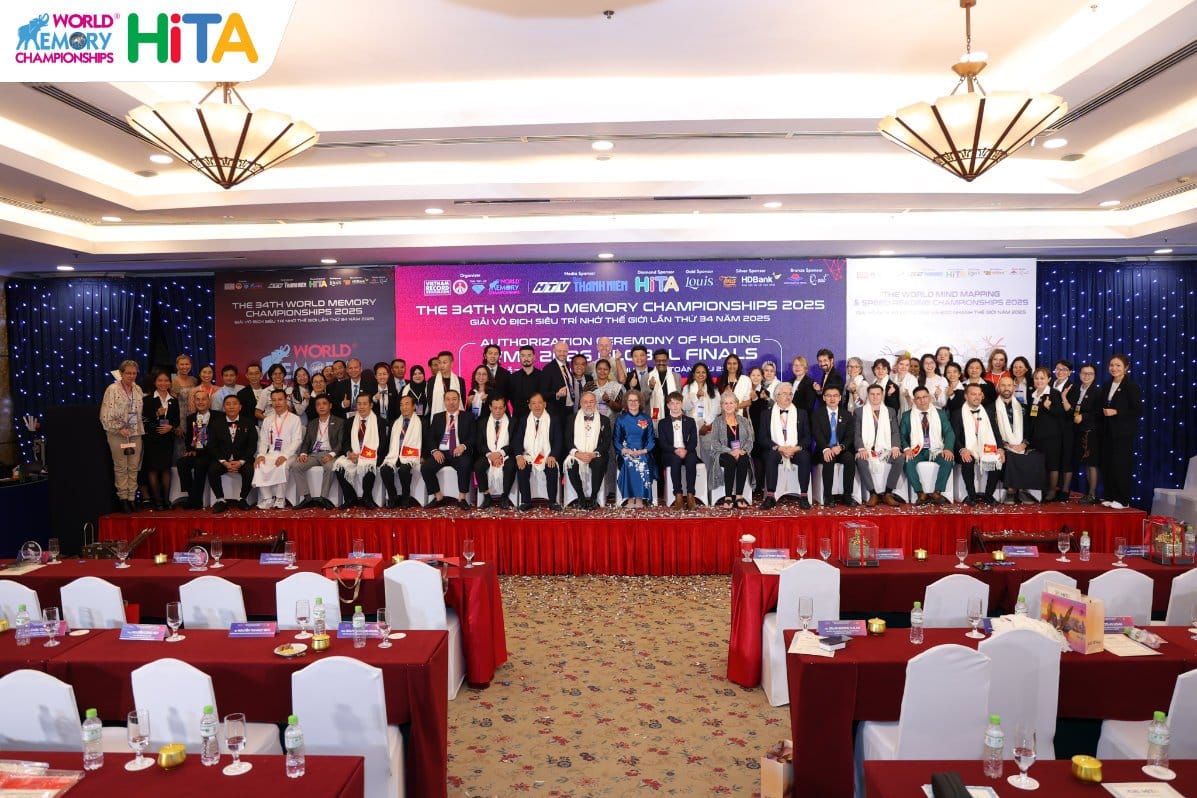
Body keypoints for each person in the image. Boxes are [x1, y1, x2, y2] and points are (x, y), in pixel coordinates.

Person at [100, 360, 145, 513]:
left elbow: (138, 412)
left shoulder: (137, 389)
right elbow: (104, 415)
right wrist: (119, 428)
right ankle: (123, 498)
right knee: (121, 466)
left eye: (134, 373)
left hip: (135, 432)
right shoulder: (112, 389)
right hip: (117, 433)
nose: (131, 376)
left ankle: (132, 497)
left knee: (133, 466)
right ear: (121, 373)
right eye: (128, 373)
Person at [759, 382, 811, 510]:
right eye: (784, 394)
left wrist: (796, 448)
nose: (788, 397)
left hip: (795, 449)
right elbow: (762, 438)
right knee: (771, 456)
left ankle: (804, 496)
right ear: (776, 396)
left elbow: (807, 438)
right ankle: (770, 496)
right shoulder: (766, 414)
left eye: (790, 394)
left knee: (805, 456)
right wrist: (779, 448)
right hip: (776, 449)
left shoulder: (802, 413)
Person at [899, 386, 955, 505]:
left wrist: (948, 448)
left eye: (924, 397)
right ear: (914, 400)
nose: (922, 400)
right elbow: (902, 435)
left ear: (929, 398)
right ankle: (920, 494)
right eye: (918, 398)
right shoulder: (907, 415)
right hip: (916, 449)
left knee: (947, 460)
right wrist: (907, 449)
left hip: (936, 449)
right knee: (908, 462)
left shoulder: (940, 414)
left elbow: (949, 432)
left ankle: (937, 493)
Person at [421, 389, 476, 509]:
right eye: (448, 399)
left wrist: (463, 446)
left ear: (459, 401)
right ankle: (438, 496)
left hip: (459, 451)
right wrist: (434, 451)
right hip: (441, 452)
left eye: (454, 399)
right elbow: (430, 437)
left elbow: (473, 437)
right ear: (444, 401)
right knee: (426, 467)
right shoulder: (437, 417)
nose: (451, 402)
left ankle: (462, 498)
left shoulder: (468, 416)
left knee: (465, 464)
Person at [1100, 353, 1142, 508]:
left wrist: (1117, 412)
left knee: (1121, 466)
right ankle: (1110, 496)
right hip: (1107, 431)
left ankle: (1123, 500)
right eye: (1112, 365)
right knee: (1108, 464)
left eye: (1118, 365)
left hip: (1123, 433)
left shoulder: (1131, 387)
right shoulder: (1106, 385)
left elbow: (1137, 410)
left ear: (1126, 368)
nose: (1114, 368)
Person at [952, 383, 1004, 505]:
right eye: (973, 394)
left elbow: (996, 432)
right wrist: (962, 450)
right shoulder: (957, 413)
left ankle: (988, 495)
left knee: (998, 459)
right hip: (966, 448)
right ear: (966, 396)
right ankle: (972, 496)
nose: (977, 397)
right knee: (967, 461)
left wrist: (1000, 448)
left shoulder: (988, 412)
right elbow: (955, 436)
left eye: (979, 394)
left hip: (986, 447)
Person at [251, 389, 304, 509]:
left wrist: (285, 456)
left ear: (286, 400)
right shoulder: (267, 419)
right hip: (271, 453)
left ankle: (280, 498)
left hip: (289, 454)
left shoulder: (295, 419)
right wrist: (261, 455)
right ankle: (267, 498)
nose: (277, 403)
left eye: (280, 399)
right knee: (259, 464)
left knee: (282, 465)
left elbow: (297, 440)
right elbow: (263, 440)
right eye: (274, 400)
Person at [995, 376, 1044, 504]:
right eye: (1003, 385)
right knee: (1010, 456)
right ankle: (1011, 492)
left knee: (1036, 456)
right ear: (998, 388)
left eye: (1009, 385)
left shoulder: (1023, 407)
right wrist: (1004, 444)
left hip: (1021, 444)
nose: (1006, 388)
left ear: (1014, 387)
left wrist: (1024, 444)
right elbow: (991, 430)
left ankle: (1024, 491)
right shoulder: (992, 408)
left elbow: (1029, 428)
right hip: (1001, 445)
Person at [854, 384, 905, 506]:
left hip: (885, 449)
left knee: (899, 458)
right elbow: (856, 433)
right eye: (872, 394)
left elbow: (895, 432)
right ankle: (873, 494)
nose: (875, 397)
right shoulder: (859, 412)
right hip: (867, 448)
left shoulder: (890, 411)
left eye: (878, 394)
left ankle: (888, 493)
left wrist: (895, 447)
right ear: (868, 395)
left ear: (882, 395)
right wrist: (861, 448)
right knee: (860, 460)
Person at [294, 394, 347, 510]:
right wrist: (303, 454)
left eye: (324, 404)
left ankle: (323, 498)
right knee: (296, 466)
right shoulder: (312, 423)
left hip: (330, 453)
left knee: (329, 466)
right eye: (318, 404)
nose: (321, 406)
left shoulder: (339, 422)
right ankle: (307, 498)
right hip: (314, 454)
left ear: (330, 406)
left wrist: (331, 454)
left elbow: (340, 443)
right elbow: (306, 442)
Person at [513, 393, 563, 511]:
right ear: (529, 406)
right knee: (521, 467)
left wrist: (553, 455)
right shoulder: (524, 420)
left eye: (539, 403)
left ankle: (552, 501)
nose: (537, 406)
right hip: (529, 455)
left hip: (545, 455)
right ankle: (526, 501)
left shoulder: (553, 419)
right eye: (533, 403)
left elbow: (558, 440)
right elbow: (517, 440)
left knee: (551, 467)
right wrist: (519, 456)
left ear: (544, 404)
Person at [207, 395, 257, 513]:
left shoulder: (248, 423)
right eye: (228, 404)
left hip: (242, 459)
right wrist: (224, 462)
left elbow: (252, 446)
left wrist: (241, 462)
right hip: (223, 460)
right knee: (212, 470)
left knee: (249, 470)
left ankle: (242, 498)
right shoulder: (216, 424)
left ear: (240, 407)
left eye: (234, 404)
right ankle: (220, 500)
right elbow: (212, 446)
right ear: (224, 407)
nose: (231, 407)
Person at [564, 391, 613, 509]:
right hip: (577, 453)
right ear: (581, 404)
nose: (588, 405)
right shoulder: (571, 419)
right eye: (585, 402)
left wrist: (593, 454)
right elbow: (567, 440)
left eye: (591, 402)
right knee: (571, 463)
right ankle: (580, 496)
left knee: (598, 462)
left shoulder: (604, 420)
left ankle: (593, 497)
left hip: (596, 454)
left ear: (595, 403)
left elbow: (606, 442)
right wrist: (577, 453)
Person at [706, 390, 755, 509]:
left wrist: (743, 450)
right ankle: (728, 497)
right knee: (730, 459)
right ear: (722, 405)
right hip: (722, 453)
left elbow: (750, 439)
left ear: (736, 404)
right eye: (726, 403)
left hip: (741, 452)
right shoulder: (717, 421)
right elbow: (715, 443)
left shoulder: (744, 421)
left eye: (731, 403)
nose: (728, 406)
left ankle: (739, 496)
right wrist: (730, 451)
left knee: (743, 459)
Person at [811, 385, 857, 506]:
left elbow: (850, 436)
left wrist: (841, 447)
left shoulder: (847, 415)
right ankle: (828, 496)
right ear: (824, 398)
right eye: (829, 396)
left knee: (849, 458)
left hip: (840, 449)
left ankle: (847, 495)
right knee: (829, 459)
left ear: (840, 398)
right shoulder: (817, 414)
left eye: (835, 396)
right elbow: (817, 434)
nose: (832, 399)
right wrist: (826, 449)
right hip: (823, 449)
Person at [334, 393, 382, 508]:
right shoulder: (350, 421)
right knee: (339, 467)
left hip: (371, 454)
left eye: (365, 404)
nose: (361, 407)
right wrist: (349, 453)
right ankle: (350, 498)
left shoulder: (380, 422)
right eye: (359, 404)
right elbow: (345, 441)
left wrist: (364, 455)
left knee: (369, 466)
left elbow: (382, 444)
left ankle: (367, 498)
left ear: (371, 405)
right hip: (353, 454)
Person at [1027, 366, 1067, 502]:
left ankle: (1052, 491)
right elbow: (1032, 416)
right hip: (1036, 436)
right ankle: (1041, 490)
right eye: (1036, 378)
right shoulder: (1032, 394)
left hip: (1052, 437)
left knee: (1052, 464)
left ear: (1049, 379)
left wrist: (1048, 407)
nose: (1039, 381)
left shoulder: (1054, 393)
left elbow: (1061, 413)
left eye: (1042, 378)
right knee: (1040, 464)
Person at [141, 370, 180, 510]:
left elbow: (176, 420)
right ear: (155, 382)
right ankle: (157, 501)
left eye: (166, 380)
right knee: (152, 470)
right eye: (160, 380)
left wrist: (171, 427)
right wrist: (157, 415)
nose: (163, 383)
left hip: (167, 440)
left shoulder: (173, 400)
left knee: (166, 469)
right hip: (152, 439)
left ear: (170, 382)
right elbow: (144, 420)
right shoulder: (147, 399)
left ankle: (166, 500)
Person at [380, 394, 425, 509]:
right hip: (395, 454)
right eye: (401, 405)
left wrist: (424, 456)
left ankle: (406, 496)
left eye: (407, 404)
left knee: (404, 469)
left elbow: (426, 441)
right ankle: (393, 496)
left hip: (411, 455)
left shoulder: (421, 422)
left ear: (414, 406)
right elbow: (388, 442)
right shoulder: (395, 423)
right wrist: (385, 456)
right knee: (384, 469)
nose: (404, 407)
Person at [614, 390, 655, 508]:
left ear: (640, 402)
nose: (633, 403)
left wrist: (643, 451)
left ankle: (640, 498)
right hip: (626, 452)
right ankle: (630, 499)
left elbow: (651, 440)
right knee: (629, 462)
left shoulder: (646, 418)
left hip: (643, 452)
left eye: (635, 400)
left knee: (643, 460)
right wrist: (626, 451)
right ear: (626, 402)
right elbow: (616, 440)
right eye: (630, 400)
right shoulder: (621, 419)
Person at [473, 395, 516, 509]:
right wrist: (490, 454)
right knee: (478, 465)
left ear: (505, 408)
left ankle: (504, 496)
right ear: (490, 407)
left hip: (506, 454)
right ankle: (487, 496)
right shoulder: (482, 422)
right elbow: (479, 443)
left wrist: (500, 453)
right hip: (488, 454)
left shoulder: (512, 422)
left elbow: (514, 443)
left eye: (501, 408)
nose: (498, 411)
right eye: (495, 408)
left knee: (510, 466)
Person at [658, 392, 699, 509]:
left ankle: (690, 495)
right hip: (670, 452)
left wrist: (685, 450)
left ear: (682, 404)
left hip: (687, 450)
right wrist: (675, 450)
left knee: (691, 460)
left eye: (677, 403)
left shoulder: (690, 421)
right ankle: (678, 495)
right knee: (675, 460)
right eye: (672, 403)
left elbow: (694, 441)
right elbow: (663, 443)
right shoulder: (662, 423)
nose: (675, 406)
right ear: (668, 405)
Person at [177, 389, 214, 510]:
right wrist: (190, 449)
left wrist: (209, 437)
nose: (200, 402)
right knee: (182, 463)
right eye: (197, 399)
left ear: (209, 401)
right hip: (196, 452)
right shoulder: (190, 418)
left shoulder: (218, 416)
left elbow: (222, 438)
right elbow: (188, 439)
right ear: (194, 401)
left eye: (203, 399)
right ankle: (192, 495)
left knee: (199, 464)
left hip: (212, 453)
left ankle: (195, 501)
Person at [1071, 363, 1102, 504]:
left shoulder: (1097, 391)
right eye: (1084, 373)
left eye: (1090, 374)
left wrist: (1083, 416)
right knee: (1086, 463)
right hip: (1080, 431)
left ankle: (1092, 494)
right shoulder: (1077, 390)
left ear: (1094, 376)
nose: (1086, 376)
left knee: (1091, 463)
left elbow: (1099, 412)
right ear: (1079, 374)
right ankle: (1089, 493)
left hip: (1091, 431)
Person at [1051, 359, 1077, 499]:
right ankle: (1053, 488)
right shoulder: (1050, 383)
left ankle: (1065, 490)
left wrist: (1063, 398)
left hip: (1066, 427)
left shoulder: (1073, 387)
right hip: (1052, 428)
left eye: (1064, 369)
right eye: (1058, 369)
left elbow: (1071, 412)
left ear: (1069, 372)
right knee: (1054, 459)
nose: (1060, 372)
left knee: (1066, 458)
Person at [682, 363, 718, 457]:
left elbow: (716, 409)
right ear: (693, 374)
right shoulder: (687, 388)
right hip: (691, 425)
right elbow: (684, 407)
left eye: (703, 372)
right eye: (698, 372)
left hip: (708, 426)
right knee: (693, 454)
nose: (701, 374)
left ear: (707, 374)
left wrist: (707, 424)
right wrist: (696, 397)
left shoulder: (713, 388)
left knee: (708, 454)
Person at [507, 346, 543, 421]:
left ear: (534, 357)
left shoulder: (542, 376)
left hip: (538, 416)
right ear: (519, 358)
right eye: (523, 356)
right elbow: (511, 398)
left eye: (529, 355)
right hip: (518, 417)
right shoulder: (513, 377)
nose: (526, 358)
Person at [541, 340, 576, 418]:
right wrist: (557, 394)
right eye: (559, 351)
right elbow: (543, 393)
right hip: (557, 412)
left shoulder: (567, 365)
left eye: (565, 351)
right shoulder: (548, 369)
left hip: (570, 409)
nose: (562, 353)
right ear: (554, 350)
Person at [430, 351, 465, 418]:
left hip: (456, 416)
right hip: (438, 416)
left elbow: (462, 400)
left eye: (444, 362)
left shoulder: (460, 381)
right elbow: (430, 401)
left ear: (451, 364)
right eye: (439, 362)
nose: (441, 365)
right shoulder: (432, 381)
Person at [372, 362, 401, 427]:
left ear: (388, 375)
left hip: (391, 424)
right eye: (379, 374)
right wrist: (374, 399)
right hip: (375, 424)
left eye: (384, 374)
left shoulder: (393, 390)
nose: (382, 377)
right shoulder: (371, 391)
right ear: (376, 376)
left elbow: (396, 409)